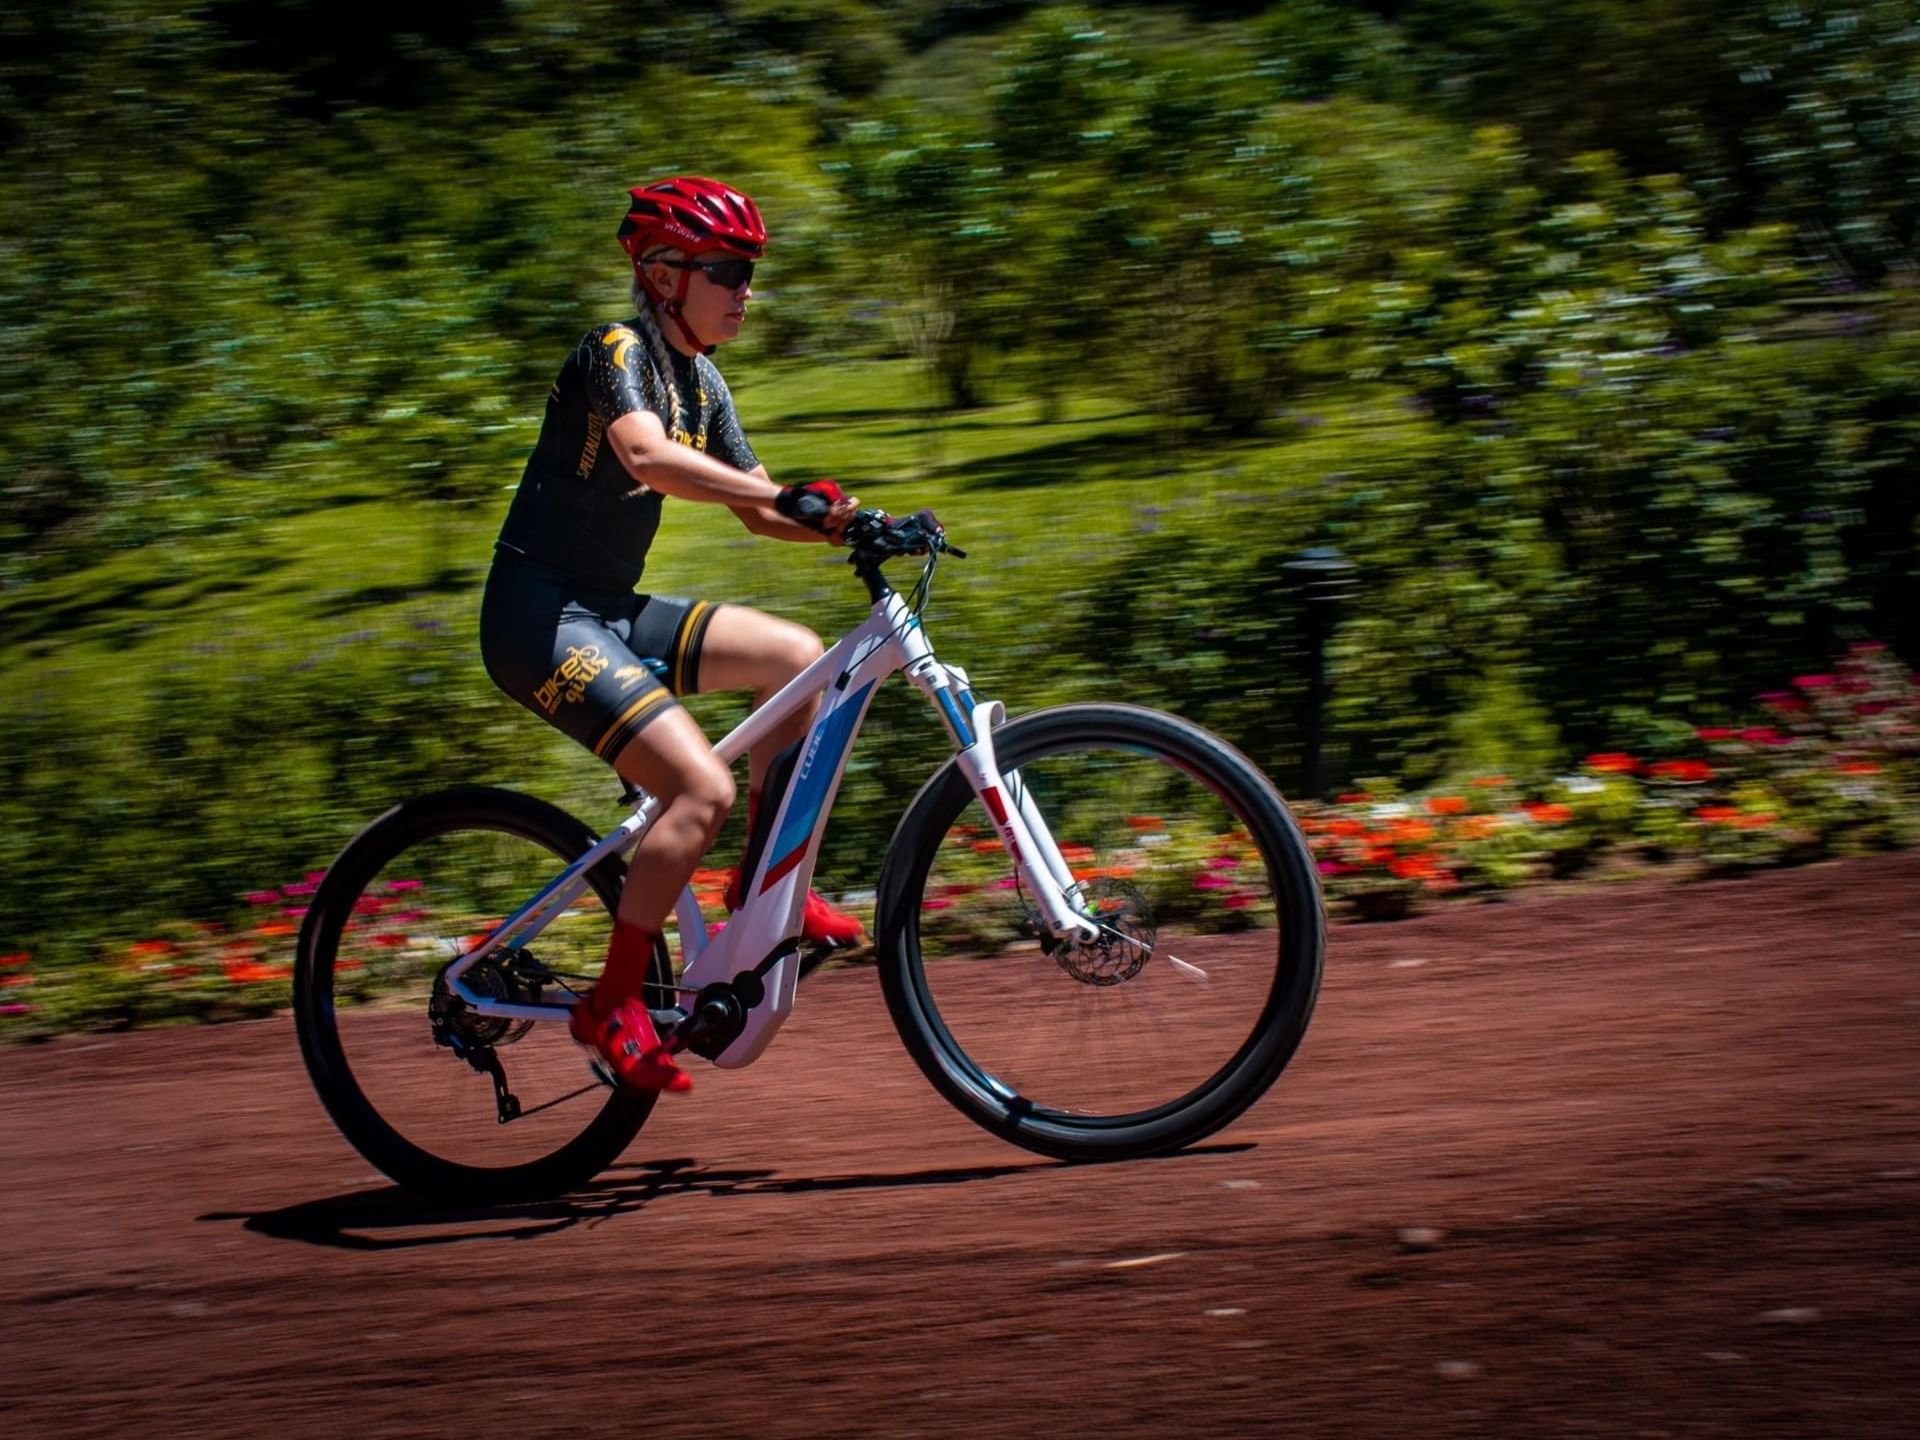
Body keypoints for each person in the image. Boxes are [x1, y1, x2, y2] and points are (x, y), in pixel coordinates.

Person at [480, 176, 866, 1094]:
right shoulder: (615, 352)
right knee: (700, 787)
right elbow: (649, 456)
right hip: (538, 619)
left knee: (798, 659)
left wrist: (854, 520)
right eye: (728, 270)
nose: (745, 289)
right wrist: (782, 499)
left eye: (748, 271)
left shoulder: (703, 380)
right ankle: (610, 1000)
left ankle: (760, 891)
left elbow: (766, 513)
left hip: (604, 608)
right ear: (662, 275)